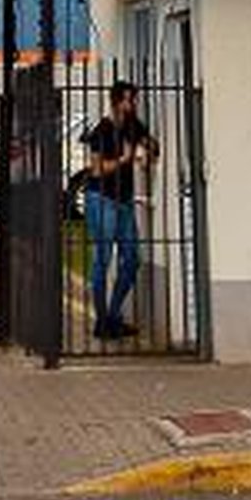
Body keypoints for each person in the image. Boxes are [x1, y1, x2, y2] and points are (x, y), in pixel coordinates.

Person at [80, 81, 157, 342]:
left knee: (132, 258)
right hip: (101, 199)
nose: (134, 104)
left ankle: (113, 316)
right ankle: (102, 322)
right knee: (102, 259)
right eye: (129, 100)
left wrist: (148, 151)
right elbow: (96, 170)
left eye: (134, 99)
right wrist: (125, 159)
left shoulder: (134, 125)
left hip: (124, 202)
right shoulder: (101, 130)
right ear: (116, 102)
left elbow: (150, 146)